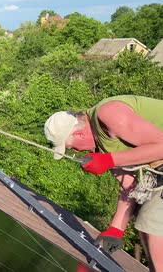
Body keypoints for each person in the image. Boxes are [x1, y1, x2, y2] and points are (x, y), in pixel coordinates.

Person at [44, 95, 163, 271]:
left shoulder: (109, 113)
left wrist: (110, 160)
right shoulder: (103, 146)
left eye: (73, 147)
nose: (77, 152)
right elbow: (128, 186)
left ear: (78, 133)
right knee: (145, 227)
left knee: (150, 223)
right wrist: (116, 230)